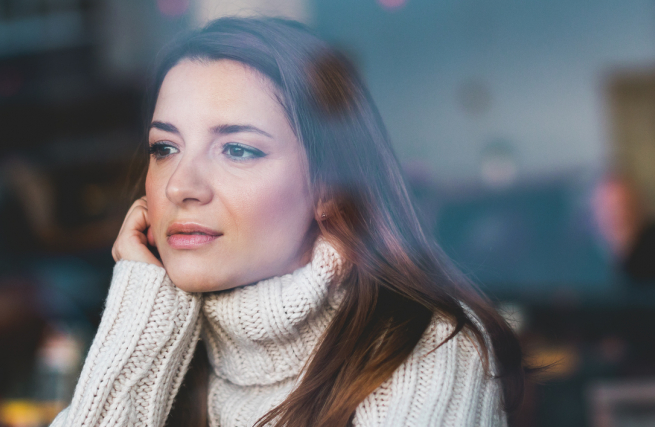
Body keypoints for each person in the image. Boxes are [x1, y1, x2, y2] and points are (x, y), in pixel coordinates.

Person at [51, 18, 530, 427]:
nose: (180, 186)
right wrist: (143, 319)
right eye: (165, 148)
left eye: (238, 149)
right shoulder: (159, 339)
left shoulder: (427, 347)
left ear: (328, 186)